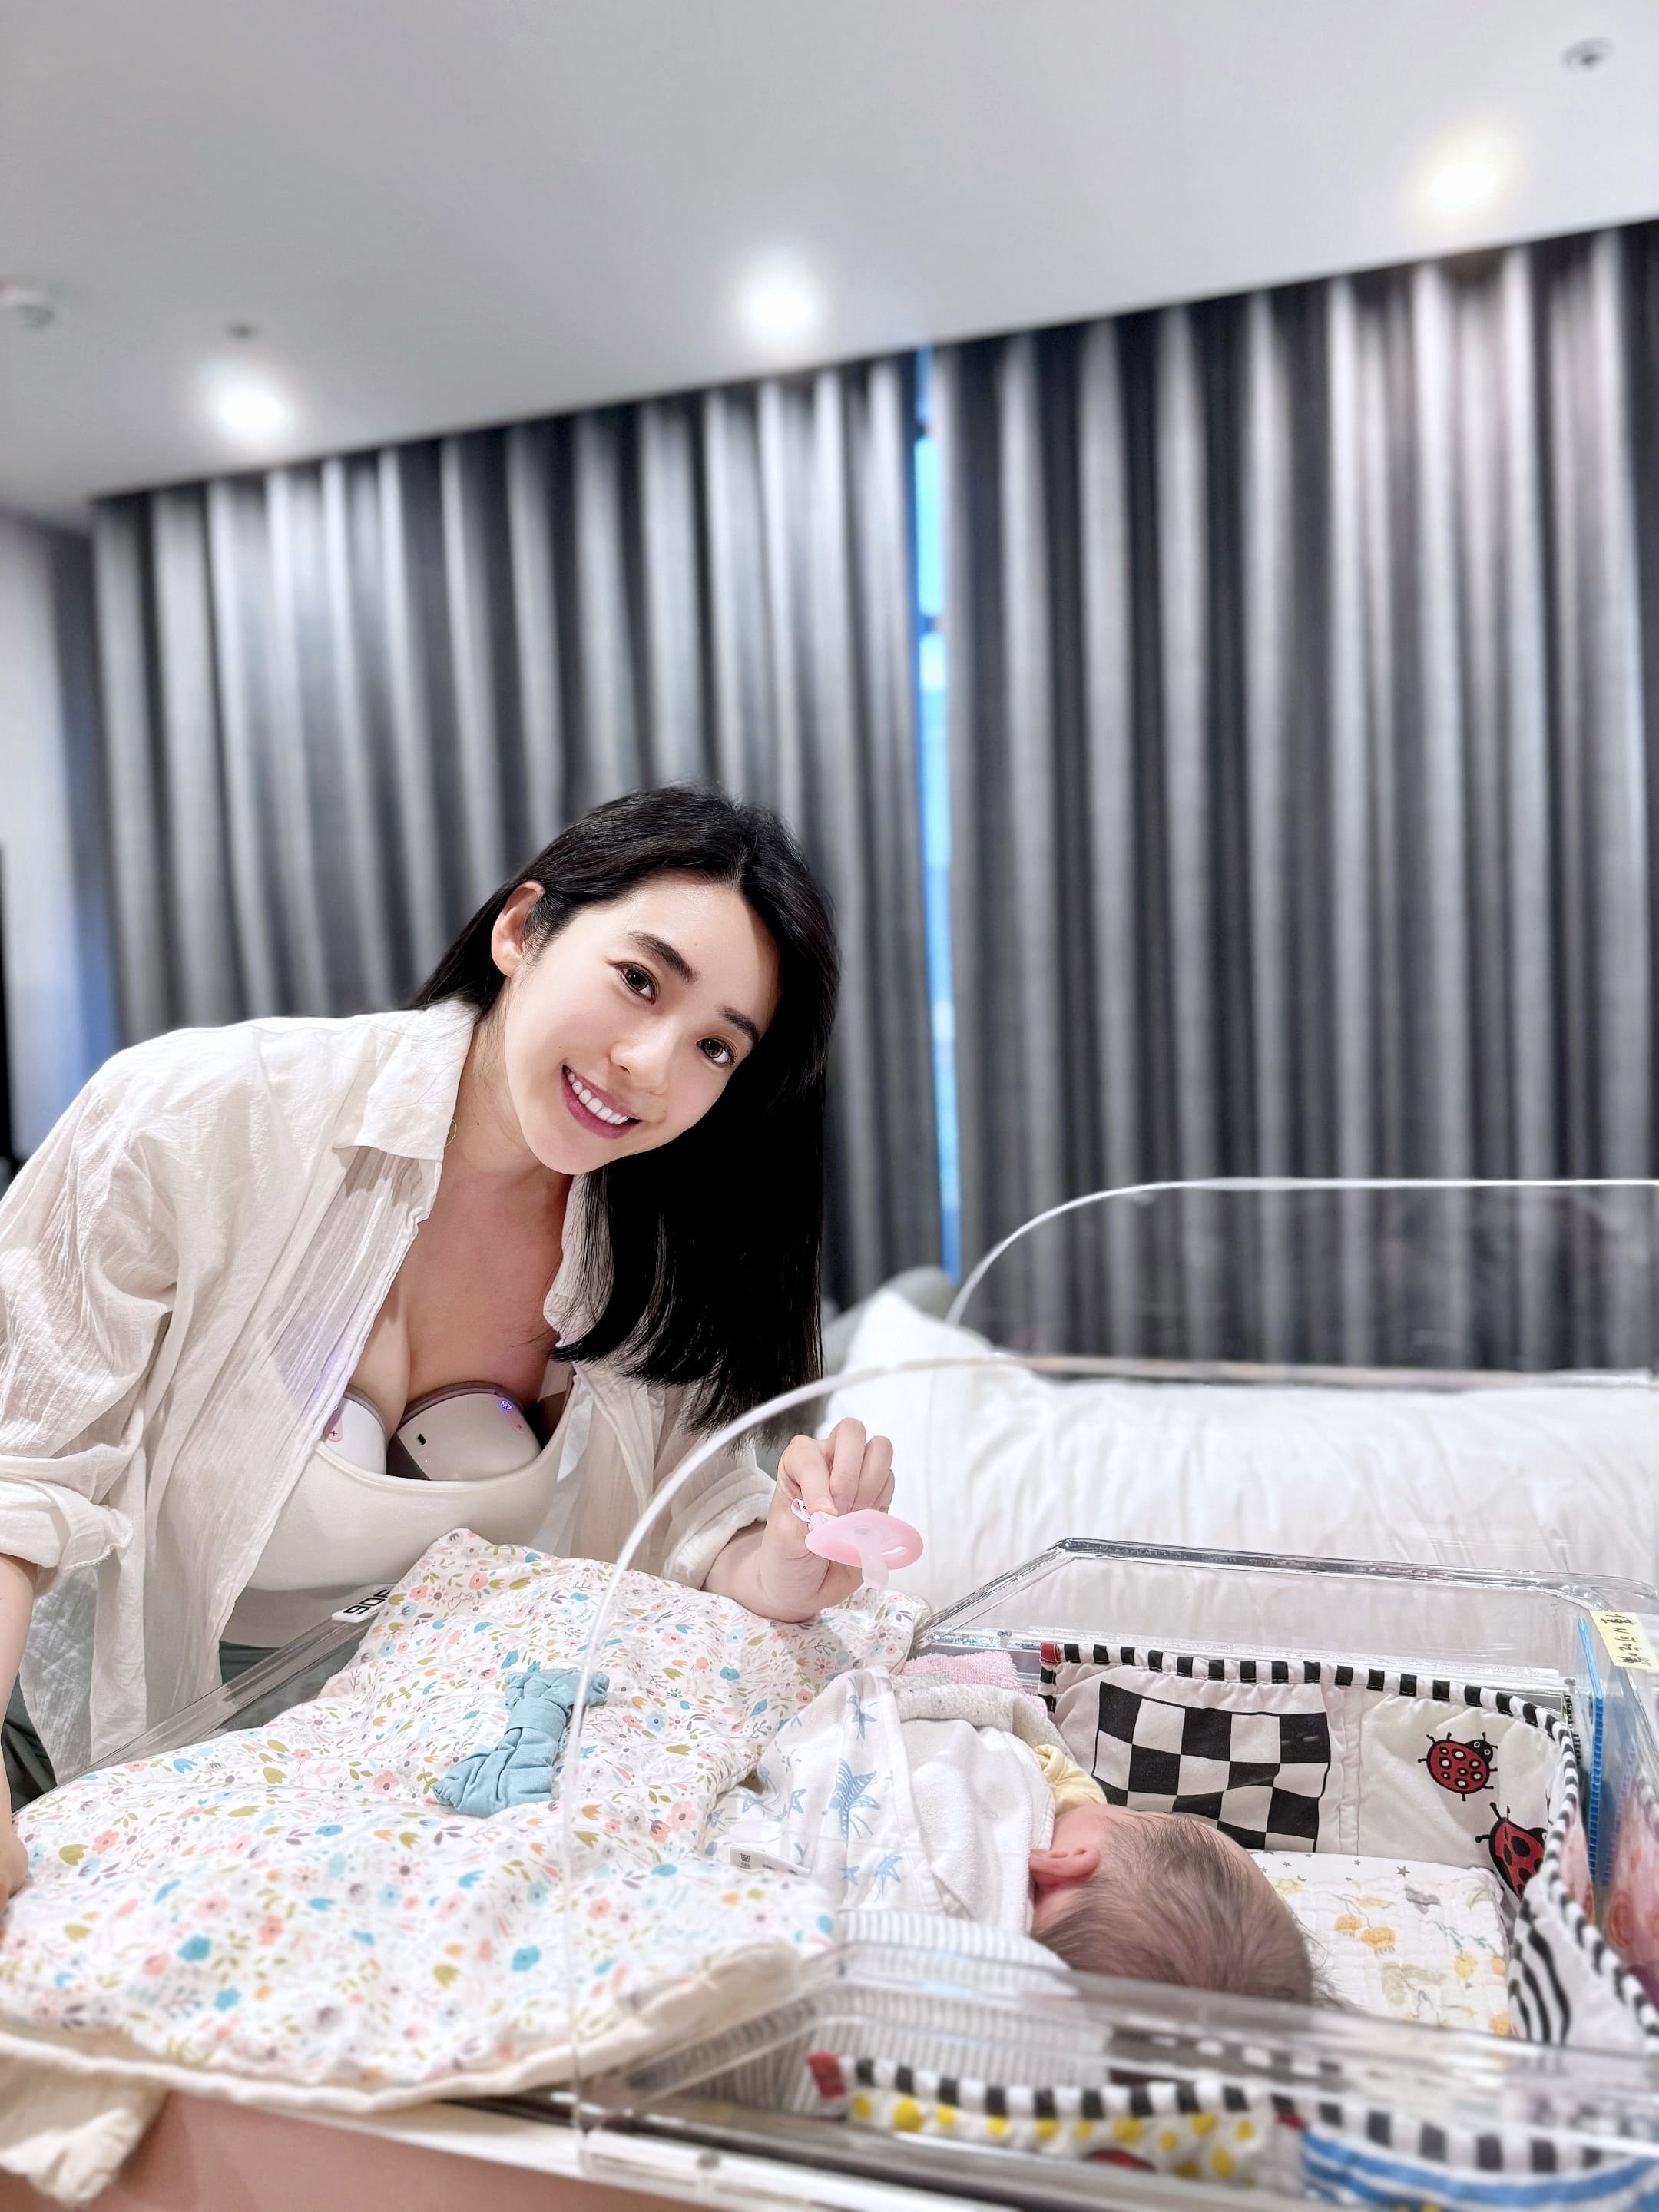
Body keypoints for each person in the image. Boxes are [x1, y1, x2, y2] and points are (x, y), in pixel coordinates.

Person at [0, 785, 897, 1904]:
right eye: (638, 980)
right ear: (521, 930)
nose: (652, 1064)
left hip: (385, 1785)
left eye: (715, 1046)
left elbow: (685, 1518)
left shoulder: (654, 1249)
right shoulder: (199, 1118)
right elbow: (17, 1475)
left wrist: (786, 1560)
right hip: (76, 1740)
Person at [723, 1668, 1315, 2002]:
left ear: (1069, 1861)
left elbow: (959, 1731)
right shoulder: (978, 1999)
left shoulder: (1010, 1799)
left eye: (1137, 1817)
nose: (1102, 1801)